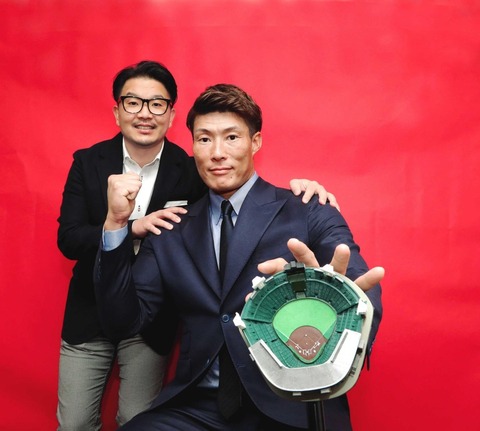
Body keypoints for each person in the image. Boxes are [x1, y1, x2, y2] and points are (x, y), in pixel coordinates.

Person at [56, 62, 339, 430]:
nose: (217, 152)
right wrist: (118, 225)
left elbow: (359, 289)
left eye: (231, 137)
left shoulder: (304, 207)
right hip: (192, 396)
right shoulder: (166, 224)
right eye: (204, 139)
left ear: (255, 142)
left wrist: (339, 298)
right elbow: (118, 308)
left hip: (284, 397)